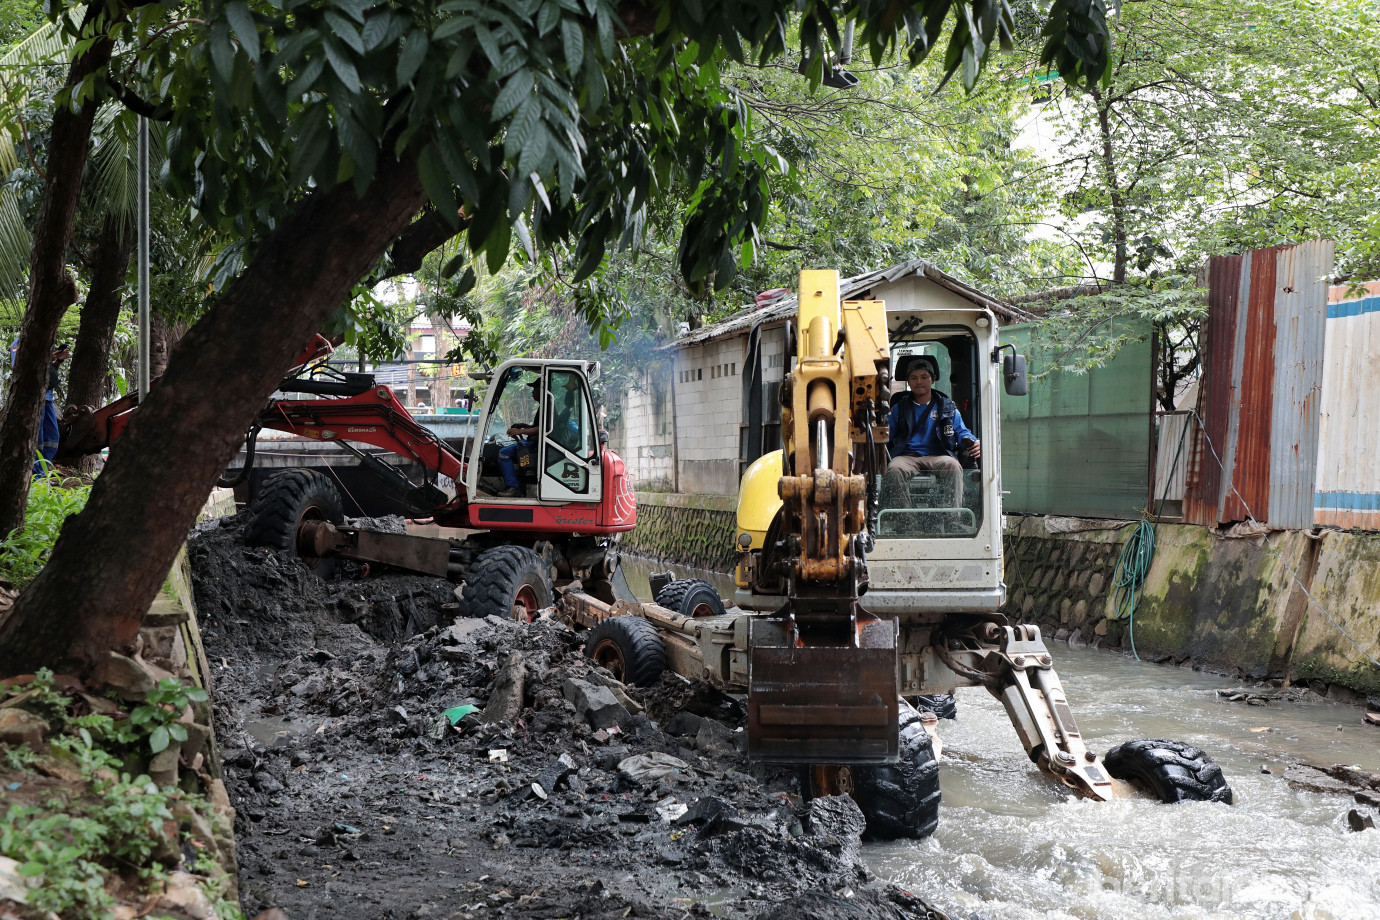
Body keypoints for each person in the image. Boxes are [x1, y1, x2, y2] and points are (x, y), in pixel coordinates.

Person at [883, 355, 979, 508]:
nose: (919, 381)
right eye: (913, 377)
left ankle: (952, 519)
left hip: (939, 455)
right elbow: (887, 434)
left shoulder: (947, 406)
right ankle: (905, 519)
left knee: (953, 466)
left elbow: (961, 431)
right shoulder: (899, 408)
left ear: (933, 379)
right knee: (894, 468)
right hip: (907, 456)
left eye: (924, 376)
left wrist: (973, 441)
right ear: (908, 381)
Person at [496, 379, 541, 497]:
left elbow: (541, 430)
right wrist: (523, 426)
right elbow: (537, 427)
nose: (532, 392)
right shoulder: (544, 406)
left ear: (541, 390)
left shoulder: (547, 407)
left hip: (536, 444)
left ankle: (513, 487)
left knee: (503, 453)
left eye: (534, 389)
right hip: (535, 441)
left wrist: (520, 431)